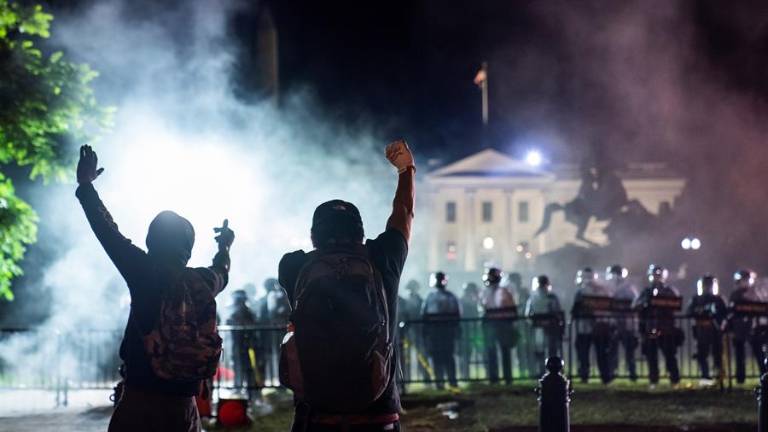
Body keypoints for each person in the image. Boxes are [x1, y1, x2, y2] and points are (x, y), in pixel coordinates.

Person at [75, 145, 234, 432]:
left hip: (141, 405)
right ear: (188, 248)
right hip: (185, 409)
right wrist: (224, 246)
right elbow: (222, 270)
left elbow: (107, 231)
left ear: (151, 241)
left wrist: (86, 186)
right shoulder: (203, 281)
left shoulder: (144, 271)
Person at [278, 139, 414, 432]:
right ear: (361, 232)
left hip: (317, 416)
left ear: (313, 236)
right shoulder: (383, 257)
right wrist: (406, 170)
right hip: (378, 415)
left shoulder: (293, 266)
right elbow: (403, 213)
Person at [634, 265, 682, 387]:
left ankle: (674, 379)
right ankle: (653, 380)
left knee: (669, 355)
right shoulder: (646, 291)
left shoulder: (669, 290)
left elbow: (677, 303)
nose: (656, 278)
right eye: (654, 275)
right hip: (650, 327)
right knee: (651, 356)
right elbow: (635, 305)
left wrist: (662, 303)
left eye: (658, 275)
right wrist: (645, 304)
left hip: (666, 329)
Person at [571, 268, 614, 384]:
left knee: (586, 354)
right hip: (596, 327)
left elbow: (575, 310)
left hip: (588, 328)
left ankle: (585, 375)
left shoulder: (581, 292)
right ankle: (604, 377)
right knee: (600, 354)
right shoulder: (602, 291)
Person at [421, 272, 460, 389]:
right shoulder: (436, 296)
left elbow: (424, 314)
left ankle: (447, 381)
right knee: (440, 357)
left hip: (443, 331)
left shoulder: (433, 296)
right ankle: (443, 382)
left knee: (445, 356)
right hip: (438, 332)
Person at [728, 269, 767, 383]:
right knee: (740, 354)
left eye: (747, 280)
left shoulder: (756, 293)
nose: (745, 283)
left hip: (754, 328)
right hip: (739, 328)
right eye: (743, 280)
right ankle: (740, 378)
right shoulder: (735, 295)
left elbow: (762, 307)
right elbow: (731, 311)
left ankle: (764, 376)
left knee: (759, 353)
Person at [686, 275, 726, 382]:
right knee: (702, 354)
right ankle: (705, 375)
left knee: (717, 353)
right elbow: (688, 311)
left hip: (716, 330)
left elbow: (725, 313)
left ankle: (718, 375)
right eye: (706, 285)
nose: (707, 288)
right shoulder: (696, 299)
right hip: (701, 330)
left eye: (709, 285)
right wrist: (700, 311)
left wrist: (718, 319)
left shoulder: (718, 299)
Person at [481, 267, 517, 384]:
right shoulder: (486, 292)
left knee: (504, 351)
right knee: (492, 351)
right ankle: (494, 378)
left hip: (502, 325)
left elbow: (511, 310)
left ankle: (506, 378)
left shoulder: (504, 292)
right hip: (493, 326)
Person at [606, 265, 638, 381]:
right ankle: (612, 372)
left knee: (629, 351)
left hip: (626, 324)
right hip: (614, 323)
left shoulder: (629, 288)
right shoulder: (609, 288)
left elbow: (634, 303)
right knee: (612, 350)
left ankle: (632, 372)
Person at [525, 275, 563, 376]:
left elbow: (528, 314)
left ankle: (544, 371)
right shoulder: (549, 297)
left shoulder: (534, 298)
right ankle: (548, 371)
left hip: (545, 328)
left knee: (545, 350)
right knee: (545, 350)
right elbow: (558, 312)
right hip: (544, 328)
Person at [226, 289, 259, 399]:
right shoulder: (238, 313)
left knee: (247, 368)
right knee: (239, 367)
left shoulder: (247, 313)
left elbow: (253, 328)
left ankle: (250, 392)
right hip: (239, 345)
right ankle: (241, 389)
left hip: (246, 346)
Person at [508, 272, 534, 378]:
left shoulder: (524, 292)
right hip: (517, 324)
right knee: (519, 349)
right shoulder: (509, 293)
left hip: (525, 324)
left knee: (528, 347)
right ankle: (522, 370)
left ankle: (531, 370)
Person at [459, 282, 481, 379]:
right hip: (464, 331)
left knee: (467, 353)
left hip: (471, 331)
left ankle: (465, 375)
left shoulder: (473, 301)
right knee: (464, 354)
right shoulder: (463, 301)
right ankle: (465, 375)